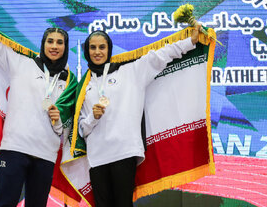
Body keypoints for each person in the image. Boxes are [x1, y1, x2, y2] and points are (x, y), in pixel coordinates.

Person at [0, 3, 77, 207]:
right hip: (14, 148)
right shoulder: (21, 62)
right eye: (50, 41)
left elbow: (67, 127)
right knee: (5, 203)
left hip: (45, 154)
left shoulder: (69, 82)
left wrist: (58, 119)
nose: (54, 46)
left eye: (59, 42)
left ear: (65, 47)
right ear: (43, 44)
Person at [77, 24, 202, 207]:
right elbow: (81, 130)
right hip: (97, 158)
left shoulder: (131, 71)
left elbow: (161, 55)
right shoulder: (84, 86)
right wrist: (92, 118)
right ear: (87, 51)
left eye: (102, 47)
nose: (97, 52)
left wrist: (191, 41)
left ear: (109, 49)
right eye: (92, 47)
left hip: (124, 152)